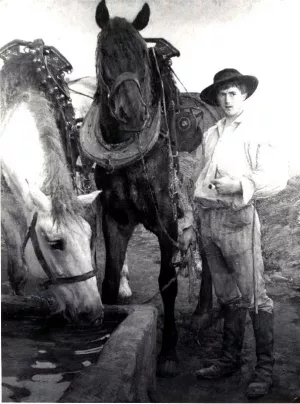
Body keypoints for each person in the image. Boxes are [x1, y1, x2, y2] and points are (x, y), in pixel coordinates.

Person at [182, 68, 288, 398]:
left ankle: (265, 369)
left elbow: (276, 178)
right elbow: (197, 176)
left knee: (255, 296)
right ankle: (229, 359)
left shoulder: (256, 130)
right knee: (227, 295)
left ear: (243, 95)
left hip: (238, 219)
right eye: (222, 94)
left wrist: (240, 184)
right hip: (209, 221)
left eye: (233, 93)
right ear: (215, 99)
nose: (226, 99)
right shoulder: (212, 132)